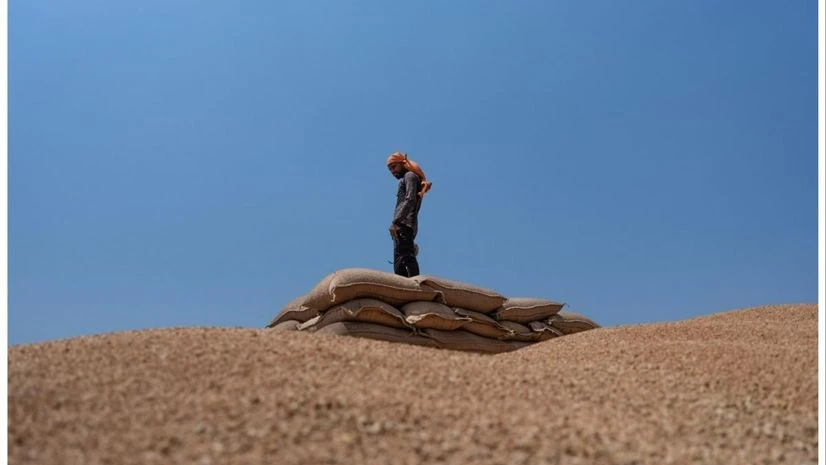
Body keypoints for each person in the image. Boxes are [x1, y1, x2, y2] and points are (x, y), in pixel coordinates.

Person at [386, 152, 432, 277]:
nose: (392, 171)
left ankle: (416, 286)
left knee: (406, 257)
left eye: (394, 167)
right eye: (390, 169)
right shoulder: (407, 178)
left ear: (403, 163)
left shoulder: (410, 176)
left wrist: (396, 221)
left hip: (403, 224)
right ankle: (404, 290)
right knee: (399, 265)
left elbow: (410, 199)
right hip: (402, 225)